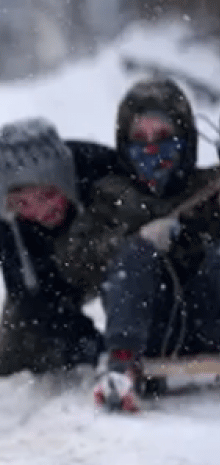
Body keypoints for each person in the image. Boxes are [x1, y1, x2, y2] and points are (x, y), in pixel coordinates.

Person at [57, 78, 220, 412]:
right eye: (140, 140)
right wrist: (134, 241)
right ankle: (121, 369)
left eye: (162, 139)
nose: (151, 150)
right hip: (147, 331)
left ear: (185, 140)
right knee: (135, 256)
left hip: (209, 319)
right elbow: (75, 262)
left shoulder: (210, 187)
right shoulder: (111, 195)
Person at [0, 118, 123, 380]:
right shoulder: (10, 226)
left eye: (48, 196)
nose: (41, 212)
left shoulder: (103, 169)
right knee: (8, 367)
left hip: (115, 256)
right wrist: (87, 344)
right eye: (23, 203)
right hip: (56, 276)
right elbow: (30, 298)